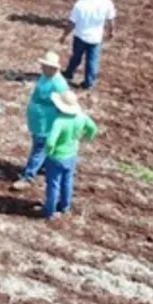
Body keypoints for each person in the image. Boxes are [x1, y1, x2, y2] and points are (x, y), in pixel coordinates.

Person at [12, 52, 70, 191]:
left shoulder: (59, 85)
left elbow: (65, 106)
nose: (42, 68)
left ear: (53, 68)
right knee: (40, 148)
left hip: (46, 124)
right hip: (38, 123)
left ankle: (28, 176)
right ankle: (43, 166)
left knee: (38, 149)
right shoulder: (45, 76)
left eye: (45, 66)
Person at [42, 91, 98, 221]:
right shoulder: (82, 117)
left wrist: (49, 152)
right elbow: (93, 129)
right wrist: (86, 138)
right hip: (72, 155)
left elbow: (50, 142)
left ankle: (49, 211)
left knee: (53, 184)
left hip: (57, 157)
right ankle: (65, 207)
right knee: (67, 181)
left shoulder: (60, 121)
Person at [59, 0, 116, 91]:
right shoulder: (106, 2)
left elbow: (72, 23)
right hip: (95, 38)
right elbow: (110, 19)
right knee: (92, 60)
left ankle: (69, 73)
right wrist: (111, 31)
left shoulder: (80, 4)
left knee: (76, 56)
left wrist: (64, 35)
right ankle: (89, 82)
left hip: (80, 36)